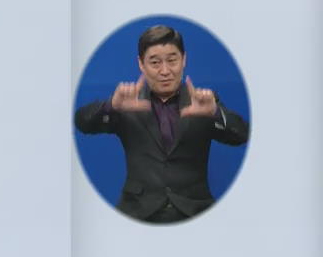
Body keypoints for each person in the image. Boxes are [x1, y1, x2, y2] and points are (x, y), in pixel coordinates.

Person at [75, 24, 249, 223]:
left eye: (172, 60)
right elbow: (82, 122)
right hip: (136, 212)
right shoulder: (127, 102)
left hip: (196, 212)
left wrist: (215, 113)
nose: (165, 71)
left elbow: (242, 135)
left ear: (184, 60)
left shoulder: (202, 102)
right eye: (155, 62)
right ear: (141, 64)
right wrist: (111, 106)